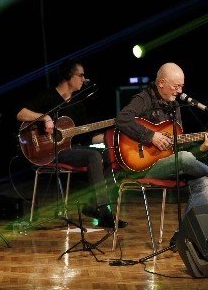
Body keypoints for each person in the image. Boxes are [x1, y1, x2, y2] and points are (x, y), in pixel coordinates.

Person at [115, 62, 208, 248]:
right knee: (185, 158)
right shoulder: (144, 99)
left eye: (181, 86)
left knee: (205, 182)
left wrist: (202, 148)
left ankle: (183, 234)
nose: (179, 91)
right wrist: (151, 136)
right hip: (143, 166)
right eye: (176, 86)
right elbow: (122, 119)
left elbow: (179, 149)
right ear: (161, 83)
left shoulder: (175, 106)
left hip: (172, 164)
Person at [16, 59, 126, 228]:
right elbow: (20, 114)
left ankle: (91, 205)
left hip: (69, 149)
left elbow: (88, 137)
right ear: (69, 75)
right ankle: (105, 213)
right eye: (80, 75)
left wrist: (112, 136)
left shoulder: (78, 104)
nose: (84, 79)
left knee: (110, 154)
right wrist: (45, 117)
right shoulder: (48, 96)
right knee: (93, 156)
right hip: (48, 151)